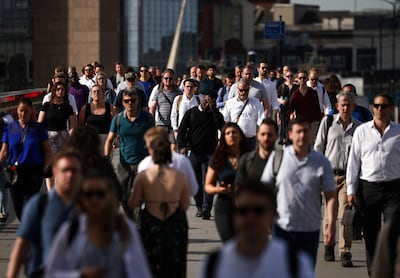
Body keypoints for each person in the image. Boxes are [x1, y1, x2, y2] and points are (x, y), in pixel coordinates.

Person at [45, 170, 151, 278]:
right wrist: (80, 275)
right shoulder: (69, 231)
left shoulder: (125, 229)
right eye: (88, 194)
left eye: (100, 194)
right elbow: (52, 272)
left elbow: (141, 272)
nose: (94, 199)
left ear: (110, 196)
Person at [199, 180, 315, 278]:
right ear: (234, 215)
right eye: (243, 211)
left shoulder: (295, 264)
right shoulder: (214, 264)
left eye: (259, 211)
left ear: (272, 215)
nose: (251, 217)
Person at [261, 117, 336, 266]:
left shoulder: (321, 162)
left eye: (305, 131)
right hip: (282, 228)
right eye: (298, 132)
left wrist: (331, 225)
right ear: (290, 134)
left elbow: (331, 196)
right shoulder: (278, 158)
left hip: (309, 230)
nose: (302, 135)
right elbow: (264, 189)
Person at [6, 149, 82, 278]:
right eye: (65, 170)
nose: (70, 175)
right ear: (55, 172)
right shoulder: (39, 205)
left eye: (74, 170)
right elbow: (21, 245)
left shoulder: (88, 206)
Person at [346, 93, 400, 275]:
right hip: (369, 188)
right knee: (371, 235)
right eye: (376, 106)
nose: (379, 110)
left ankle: (389, 271)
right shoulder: (362, 131)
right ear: (372, 108)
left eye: (384, 106)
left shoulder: (398, 131)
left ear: (391, 108)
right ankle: (374, 273)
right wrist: (351, 190)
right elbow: (353, 162)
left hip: (394, 189)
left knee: (392, 233)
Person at [129, 136, 190, 278]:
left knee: (151, 265)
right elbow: (186, 204)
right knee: (176, 265)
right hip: (175, 222)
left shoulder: (143, 176)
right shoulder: (179, 176)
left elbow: (133, 203)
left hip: (151, 221)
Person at [314, 91, 361, 267]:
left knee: (345, 216)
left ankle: (345, 251)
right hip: (329, 175)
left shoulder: (359, 127)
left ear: (354, 107)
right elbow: (318, 148)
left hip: (348, 178)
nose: (346, 108)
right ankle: (329, 244)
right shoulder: (327, 123)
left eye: (349, 104)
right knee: (329, 215)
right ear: (337, 106)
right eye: (343, 104)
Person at [104, 88, 154, 219]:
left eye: (133, 100)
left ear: (138, 101)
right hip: (124, 164)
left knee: (140, 198)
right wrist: (106, 159)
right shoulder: (118, 119)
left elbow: (154, 140)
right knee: (124, 197)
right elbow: (109, 140)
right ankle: (131, 221)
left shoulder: (147, 118)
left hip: (143, 164)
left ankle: (137, 227)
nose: (130, 103)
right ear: (123, 102)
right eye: (127, 101)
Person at [0, 98, 53, 220]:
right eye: (21, 111)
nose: (23, 114)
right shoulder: (10, 128)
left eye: (26, 111)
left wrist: (45, 166)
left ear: (32, 112)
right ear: (17, 111)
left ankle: (28, 233)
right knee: (19, 209)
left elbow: (47, 150)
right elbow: (4, 151)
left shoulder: (38, 128)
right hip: (15, 172)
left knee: (29, 203)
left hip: (34, 171)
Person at [177, 90, 225, 220]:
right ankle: (199, 206)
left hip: (210, 153)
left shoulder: (215, 114)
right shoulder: (191, 113)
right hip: (195, 153)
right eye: (205, 100)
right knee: (196, 181)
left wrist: (214, 110)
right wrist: (181, 146)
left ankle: (206, 208)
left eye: (209, 101)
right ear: (201, 99)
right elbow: (181, 130)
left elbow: (222, 127)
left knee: (209, 181)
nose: (206, 102)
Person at [204, 123, 249, 242]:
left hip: (247, 207)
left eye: (234, 132)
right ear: (223, 137)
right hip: (224, 206)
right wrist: (218, 189)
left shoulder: (249, 157)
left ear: (240, 136)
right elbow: (208, 186)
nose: (231, 135)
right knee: (229, 242)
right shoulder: (218, 159)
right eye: (228, 133)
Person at [137, 127, 198, 197]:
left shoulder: (145, 164)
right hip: (175, 203)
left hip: (152, 204)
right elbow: (193, 190)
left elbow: (137, 195)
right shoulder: (182, 161)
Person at [234, 118, 279, 187]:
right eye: (263, 134)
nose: (266, 138)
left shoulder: (285, 161)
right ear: (257, 135)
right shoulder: (247, 160)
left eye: (270, 134)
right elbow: (238, 189)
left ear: (277, 136)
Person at [222, 79, 265, 150]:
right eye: (241, 90)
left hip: (250, 140)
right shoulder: (230, 103)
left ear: (249, 90)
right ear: (237, 89)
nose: (243, 92)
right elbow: (225, 122)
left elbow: (261, 120)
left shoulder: (256, 102)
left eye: (246, 90)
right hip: (234, 139)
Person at [288, 70, 322, 141]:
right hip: (301, 122)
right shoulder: (295, 94)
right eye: (300, 78)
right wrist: (292, 115)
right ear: (297, 79)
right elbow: (291, 108)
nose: (302, 80)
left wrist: (319, 122)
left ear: (307, 79)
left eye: (304, 78)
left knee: (311, 142)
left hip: (313, 122)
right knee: (302, 141)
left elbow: (317, 108)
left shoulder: (313, 92)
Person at [277, 70, 298, 144]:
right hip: (284, 108)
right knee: (283, 124)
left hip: (293, 108)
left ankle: (290, 139)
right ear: (285, 77)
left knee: (291, 124)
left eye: (291, 76)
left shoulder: (296, 87)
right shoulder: (282, 86)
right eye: (287, 76)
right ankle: (283, 139)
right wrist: (281, 101)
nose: (289, 78)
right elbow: (277, 97)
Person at [0, 112, 13, 223]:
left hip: (3, 156)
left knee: (3, 187)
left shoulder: (6, 118)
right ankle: (3, 212)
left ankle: (3, 212)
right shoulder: (7, 118)